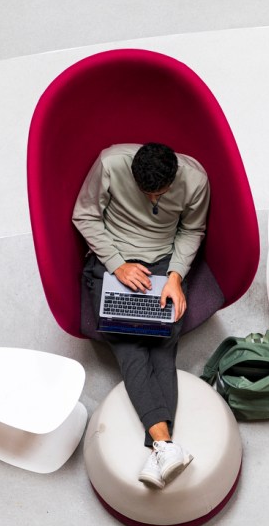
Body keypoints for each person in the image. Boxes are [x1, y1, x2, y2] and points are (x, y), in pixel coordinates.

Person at [73, 142, 210, 489]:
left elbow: (192, 230)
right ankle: (165, 446)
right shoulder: (109, 163)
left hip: (163, 266)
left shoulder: (195, 180)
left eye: (159, 194)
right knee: (130, 348)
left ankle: (161, 449)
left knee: (163, 342)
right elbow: (84, 215)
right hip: (111, 261)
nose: (152, 201)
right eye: (144, 193)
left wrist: (176, 277)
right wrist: (117, 265)